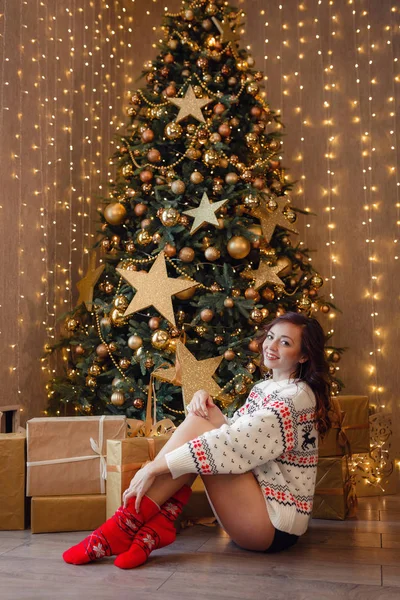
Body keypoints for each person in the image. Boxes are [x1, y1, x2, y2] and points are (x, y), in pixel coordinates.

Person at [63, 311, 331, 568]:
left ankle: (124, 526)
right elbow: (238, 433)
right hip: (257, 507)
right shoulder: (265, 388)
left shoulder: (294, 398)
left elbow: (234, 444)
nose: (271, 346)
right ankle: (154, 526)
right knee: (203, 419)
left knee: (208, 439)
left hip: (272, 526)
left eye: (285, 342)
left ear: (304, 355)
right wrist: (203, 398)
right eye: (271, 336)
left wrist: (154, 467)